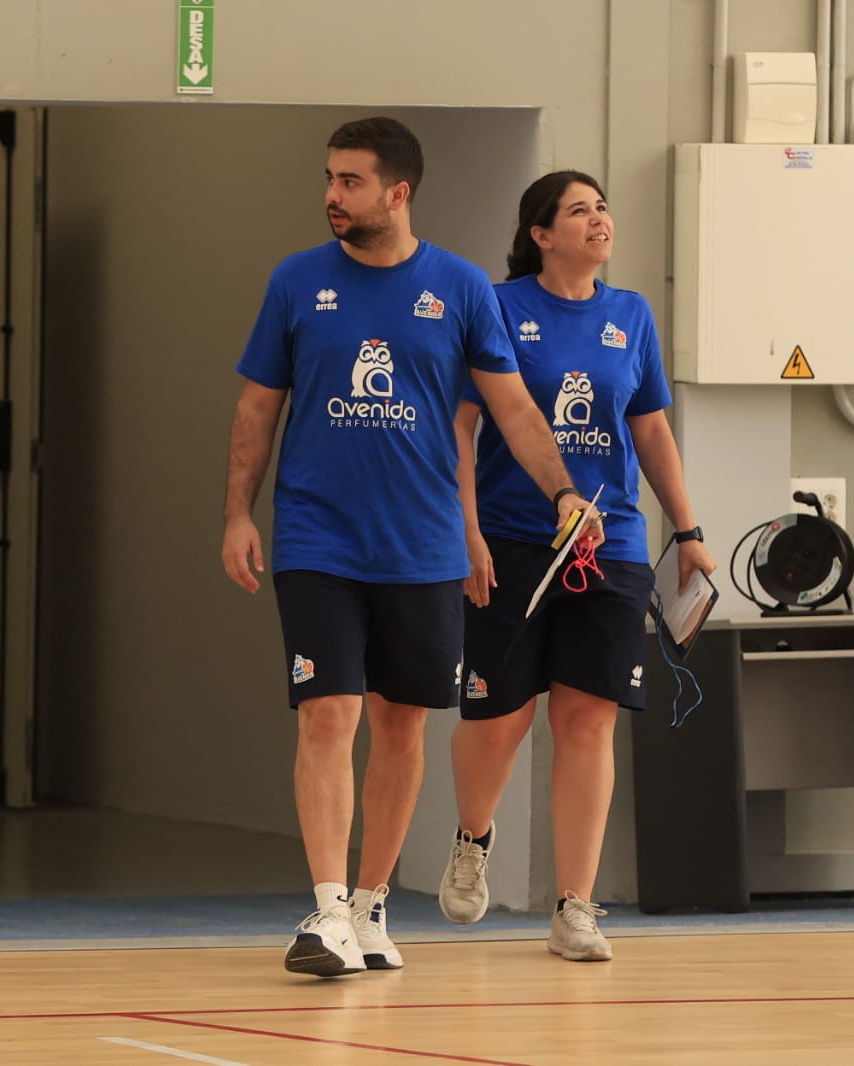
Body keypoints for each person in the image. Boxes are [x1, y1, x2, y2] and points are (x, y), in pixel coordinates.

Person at [222, 119, 592, 978]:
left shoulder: (462, 289)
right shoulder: (295, 283)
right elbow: (255, 410)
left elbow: (513, 411)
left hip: (423, 548)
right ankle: (324, 912)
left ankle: (370, 905)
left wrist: (563, 490)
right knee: (329, 713)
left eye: (350, 181)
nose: (331, 195)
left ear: (398, 193)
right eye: (328, 178)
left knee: (399, 724)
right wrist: (238, 514)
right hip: (317, 537)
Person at [439, 170, 716, 961]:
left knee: (587, 719)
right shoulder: (495, 307)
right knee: (501, 719)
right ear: (541, 232)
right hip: (513, 539)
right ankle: (472, 838)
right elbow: (462, 429)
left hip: (612, 544)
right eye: (579, 211)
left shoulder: (631, 315)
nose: (599, 220)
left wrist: (687, 528)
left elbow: (652, 432)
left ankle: (575, 907)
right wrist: (468, 533)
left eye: (603, 208)